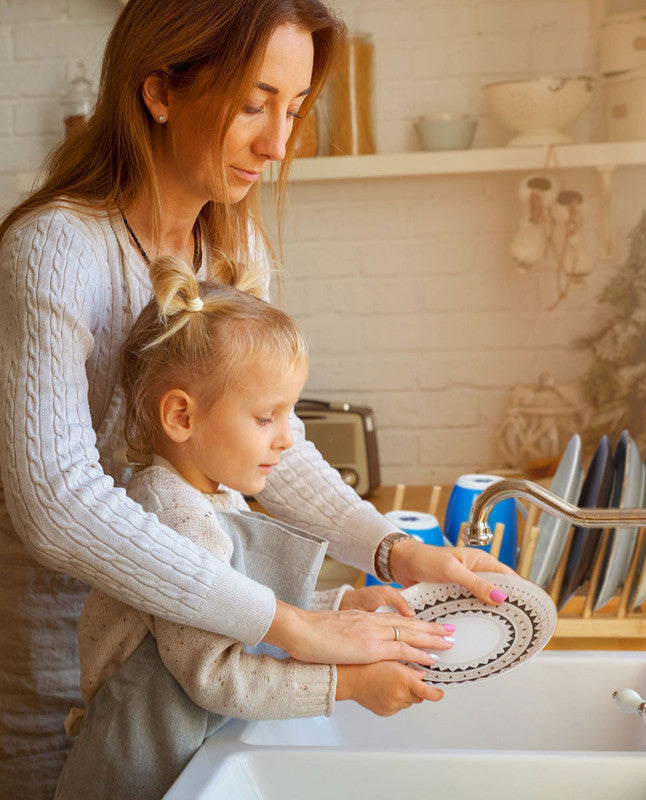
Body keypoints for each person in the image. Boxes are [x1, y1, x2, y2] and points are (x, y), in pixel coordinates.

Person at [0, 1, 513, 797]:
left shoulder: (233, 249)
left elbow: (272, 442)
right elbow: (58, 503)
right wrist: (295, 627)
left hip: (193, 664)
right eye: (253, 105)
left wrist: (393, 550)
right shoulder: (56, 250)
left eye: (294, 108)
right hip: (60, 673)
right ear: (159, 91)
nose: (278, 143)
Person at [55, 254, 446, 800]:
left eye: (289, 415)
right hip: (138, 776)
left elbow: (240, 613)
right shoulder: (176, 515)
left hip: (188, 763)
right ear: (182, 417)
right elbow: (219, 675)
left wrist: (339, 606)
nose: (287, 439)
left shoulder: (213, 493)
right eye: (266, 418)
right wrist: (350, 683)